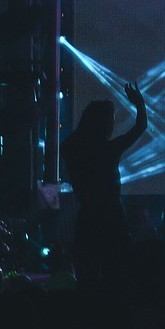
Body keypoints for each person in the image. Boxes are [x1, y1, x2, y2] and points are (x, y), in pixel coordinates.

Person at [61, 81, 148, 292]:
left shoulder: (71, 148)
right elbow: (140, 127)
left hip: (88, 217)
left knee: (87, 273)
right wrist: (139, 103)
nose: (112, 126)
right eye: (110, 121)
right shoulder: (108, 150)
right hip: (111, 216)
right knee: (118, 272)